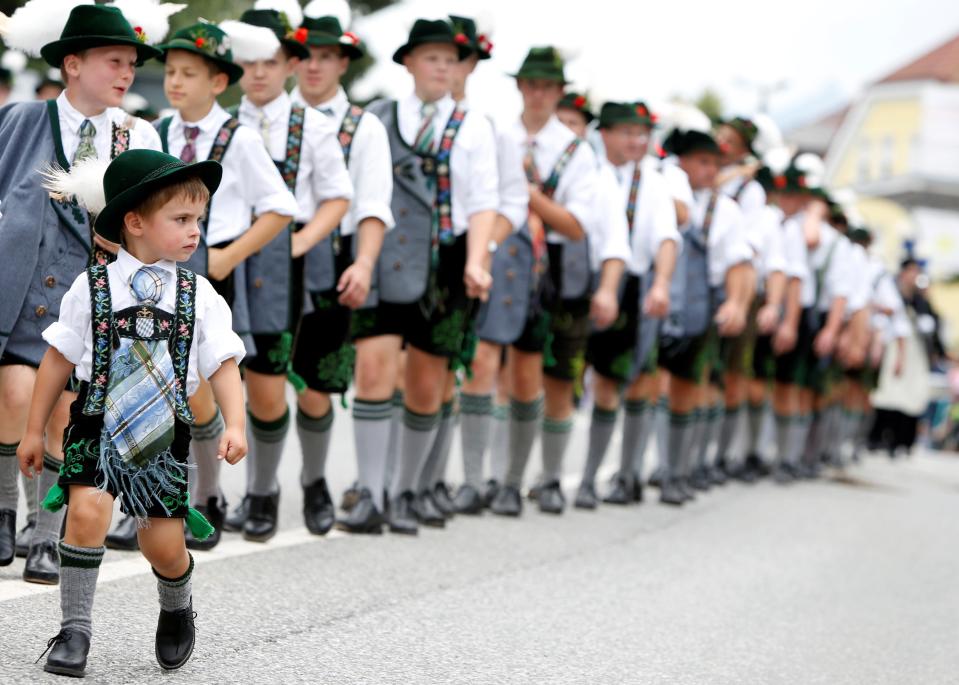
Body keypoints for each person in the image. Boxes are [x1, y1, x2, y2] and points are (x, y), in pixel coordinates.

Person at [18, 149, 247, 677]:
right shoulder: (91, 288)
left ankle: (176, 603)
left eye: (198, 221)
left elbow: (224, 363)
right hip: (95, 423)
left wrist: (233, 422)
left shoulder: (199, 294)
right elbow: (56, 360)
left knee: (161, 545)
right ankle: (75, 629)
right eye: (182, 219)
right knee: (87, 512)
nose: (195, 232)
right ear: (135, 222)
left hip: (161, 437)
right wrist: (34, 430)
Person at [105, 19, 299, 552]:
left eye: (189, 72)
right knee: (152, 391)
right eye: (170, 71)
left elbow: (281, 207)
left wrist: (228, 256)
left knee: (203, 393)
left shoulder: (239, 138)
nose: (175, 81)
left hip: (216, 277)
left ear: (218, 82)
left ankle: (211, 497)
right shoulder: (155, 132)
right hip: (158, 279)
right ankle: (151, 502)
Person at [0, 0, 171, 582]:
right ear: (72, 64)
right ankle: (4, 513)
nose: (126, 73)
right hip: (22, 292)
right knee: (15, 394)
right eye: (114, 61)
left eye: (131, 63)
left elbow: (160, 215)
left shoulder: (138, 133)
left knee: (66, 414)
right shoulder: (22, 120)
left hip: (95, 299)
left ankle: (44, 535)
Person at [355, 19, 495, 535]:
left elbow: (483, 203)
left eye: (450, 59)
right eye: (431, 57)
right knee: (372, 371)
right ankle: (371, 494)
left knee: (426, 382)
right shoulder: (377, 118)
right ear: (409, 62)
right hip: (387, 255)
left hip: (449, 263)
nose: (441, 67)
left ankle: (407, 490)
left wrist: (479, 260)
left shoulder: (474, 126)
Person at [219, 4, 353, 543]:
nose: (257, 73)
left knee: (300, 388)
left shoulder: (314, 128)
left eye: (269, 62)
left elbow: (338, 197)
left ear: (291, 65)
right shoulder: (225, 123)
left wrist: (295, 242)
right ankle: (258, 491)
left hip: (298, 268)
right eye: (248, 62)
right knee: (241, 382)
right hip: (230, 260)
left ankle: (312, 480)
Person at [290, 4, 395, 534]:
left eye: (327, 57)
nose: (314, 66)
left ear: (343, 64)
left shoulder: (363, 127)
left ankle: (313, 480)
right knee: (238, 377)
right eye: (306, 55)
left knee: (313, 385)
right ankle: (235, 493)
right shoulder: (268, 114)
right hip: (267, 253)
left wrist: (365, 263)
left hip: (332, 256)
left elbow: (373, 205)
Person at [490, 47, 600, 517]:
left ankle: (539, 478)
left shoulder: (575, 149)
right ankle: (493, 479)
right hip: (498, 251)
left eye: (547, 87)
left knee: (543, 375)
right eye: (530, 84)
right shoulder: (496, 134)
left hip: (551, 266)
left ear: (559, 92)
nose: (537, 94)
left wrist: (527, 194)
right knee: (489, 369)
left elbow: (576, 225)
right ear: (519, 87)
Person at [577, 101, 678, 508]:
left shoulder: (653, 182)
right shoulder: (587, 169)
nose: (637, 141)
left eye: (643, 133)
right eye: (628, 132)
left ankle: (607, 476)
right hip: (576, 279)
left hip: (632, 286)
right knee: (566, 376)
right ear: (605, 134)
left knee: (621, 382)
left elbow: (667, 238)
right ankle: (548, 475)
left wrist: (663, 284)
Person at [656, 123, 753, 505]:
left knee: (688, 389)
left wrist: (736, 303)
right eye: (702, 161)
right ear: (682, 163)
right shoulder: (659, 189)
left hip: (699, 309)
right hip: (659, 301)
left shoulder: (725, 210)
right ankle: (643, 468)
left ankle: (679, 470)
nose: (710, 170)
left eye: (716, 163)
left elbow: (741, 264)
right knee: (648, 385)